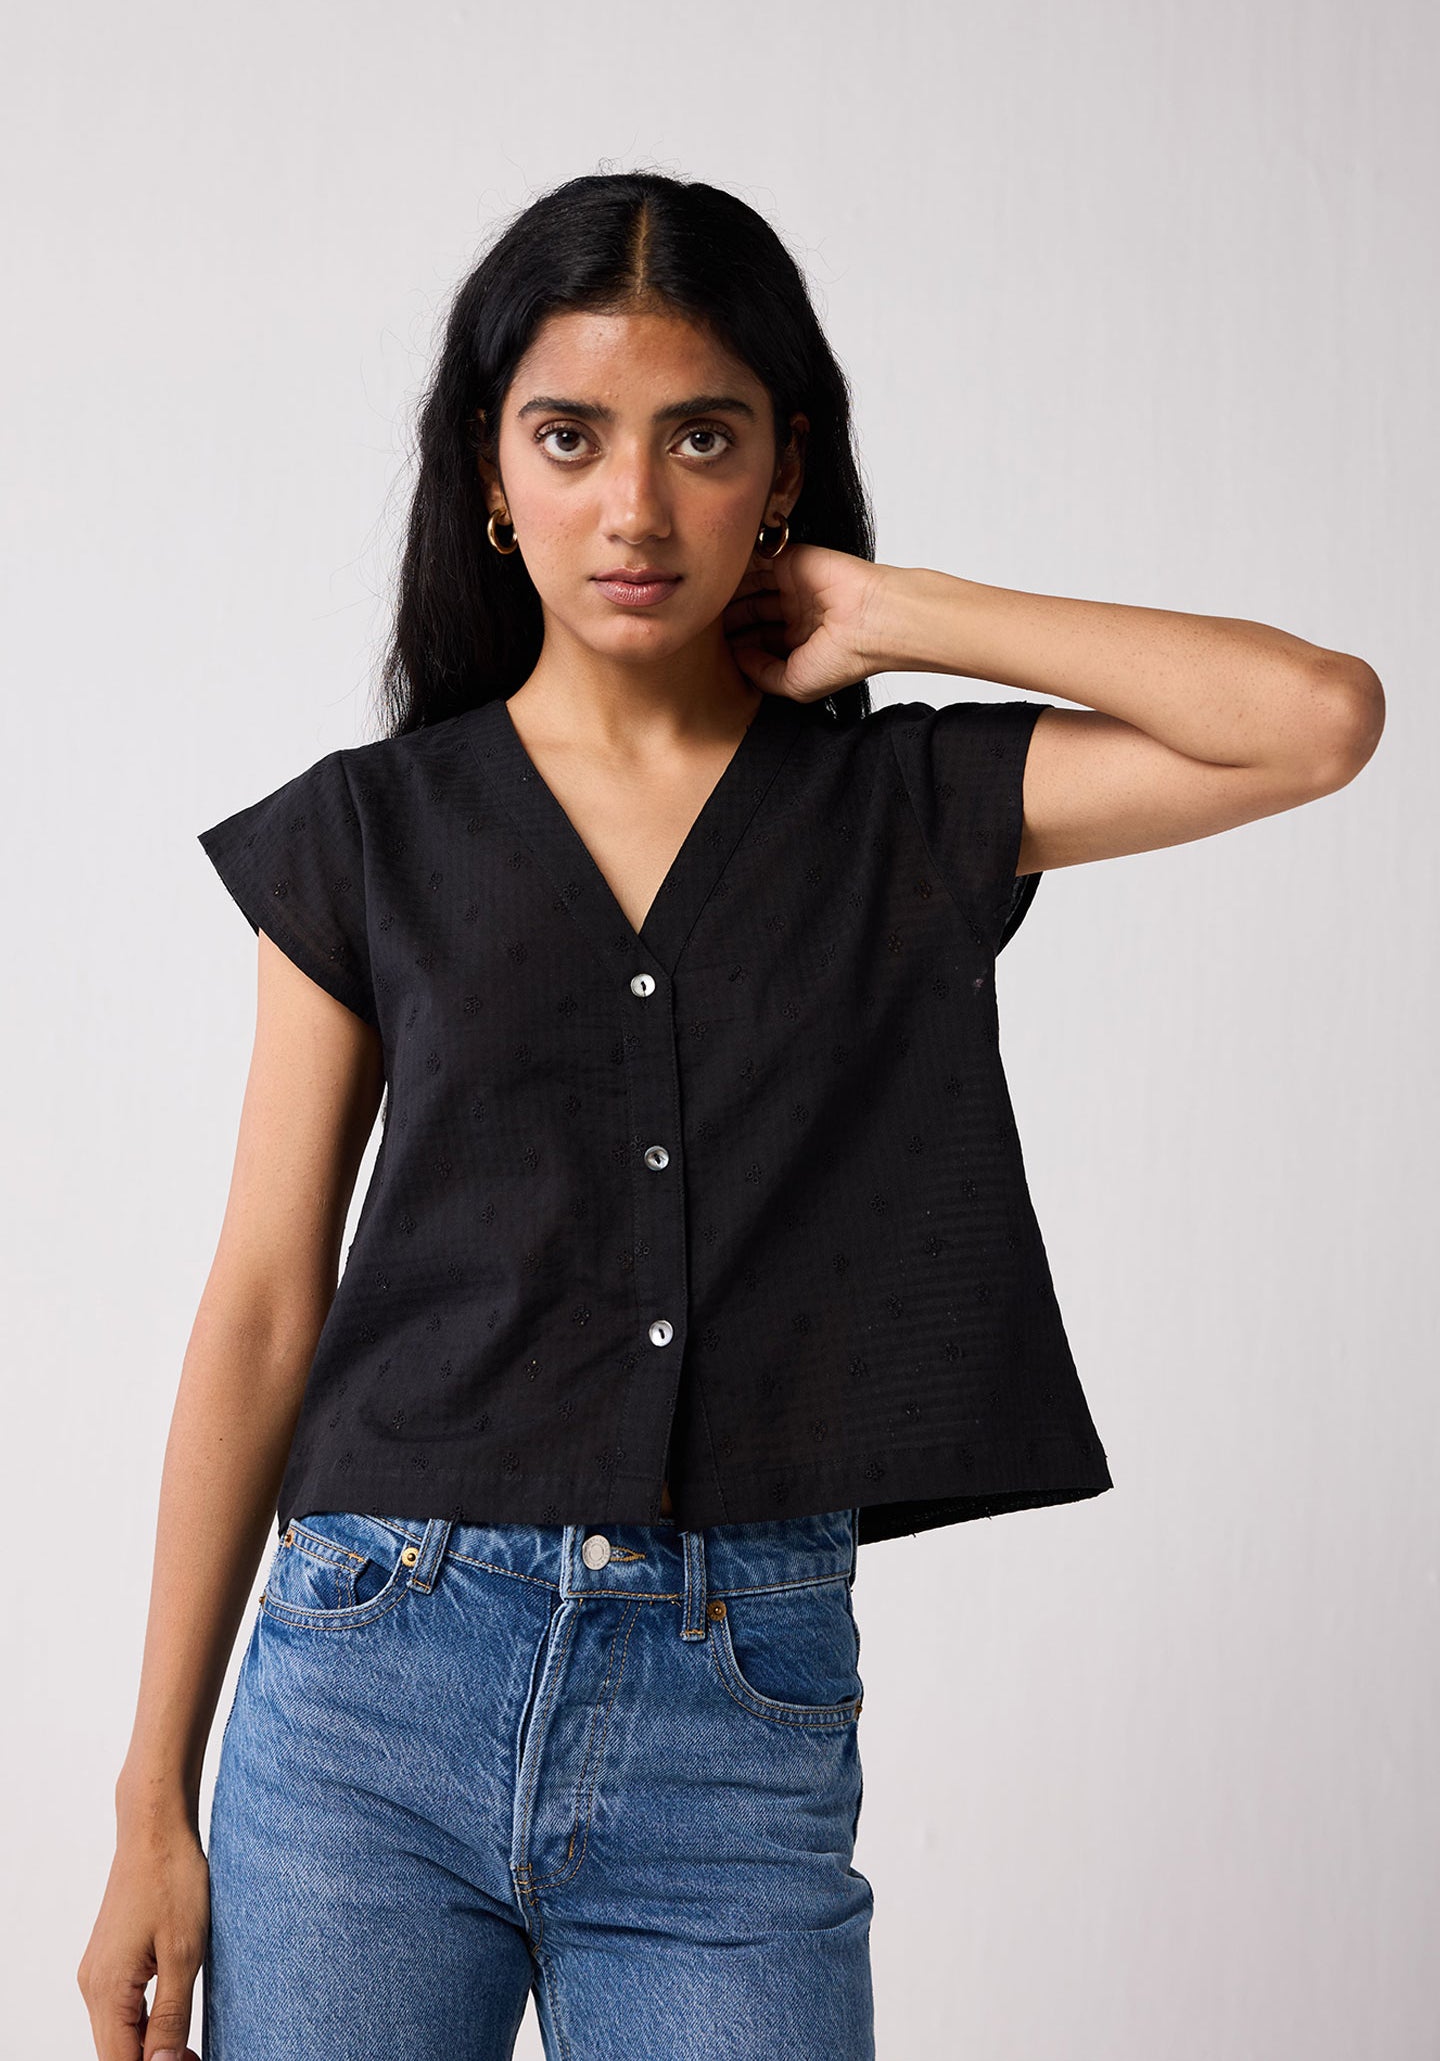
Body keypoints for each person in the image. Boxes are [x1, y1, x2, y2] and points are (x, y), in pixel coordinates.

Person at [77, 169, 1384, 2061]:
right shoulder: (370, 836)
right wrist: (148, 1804)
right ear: (492, 470)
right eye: (570, 435)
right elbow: (266, 1303)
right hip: (369, 1681)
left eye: (702, 436)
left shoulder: (904, 809)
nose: (633, 505)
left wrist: (897, 608)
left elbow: (1315, 718)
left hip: (737, 1707)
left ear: (781, 467)